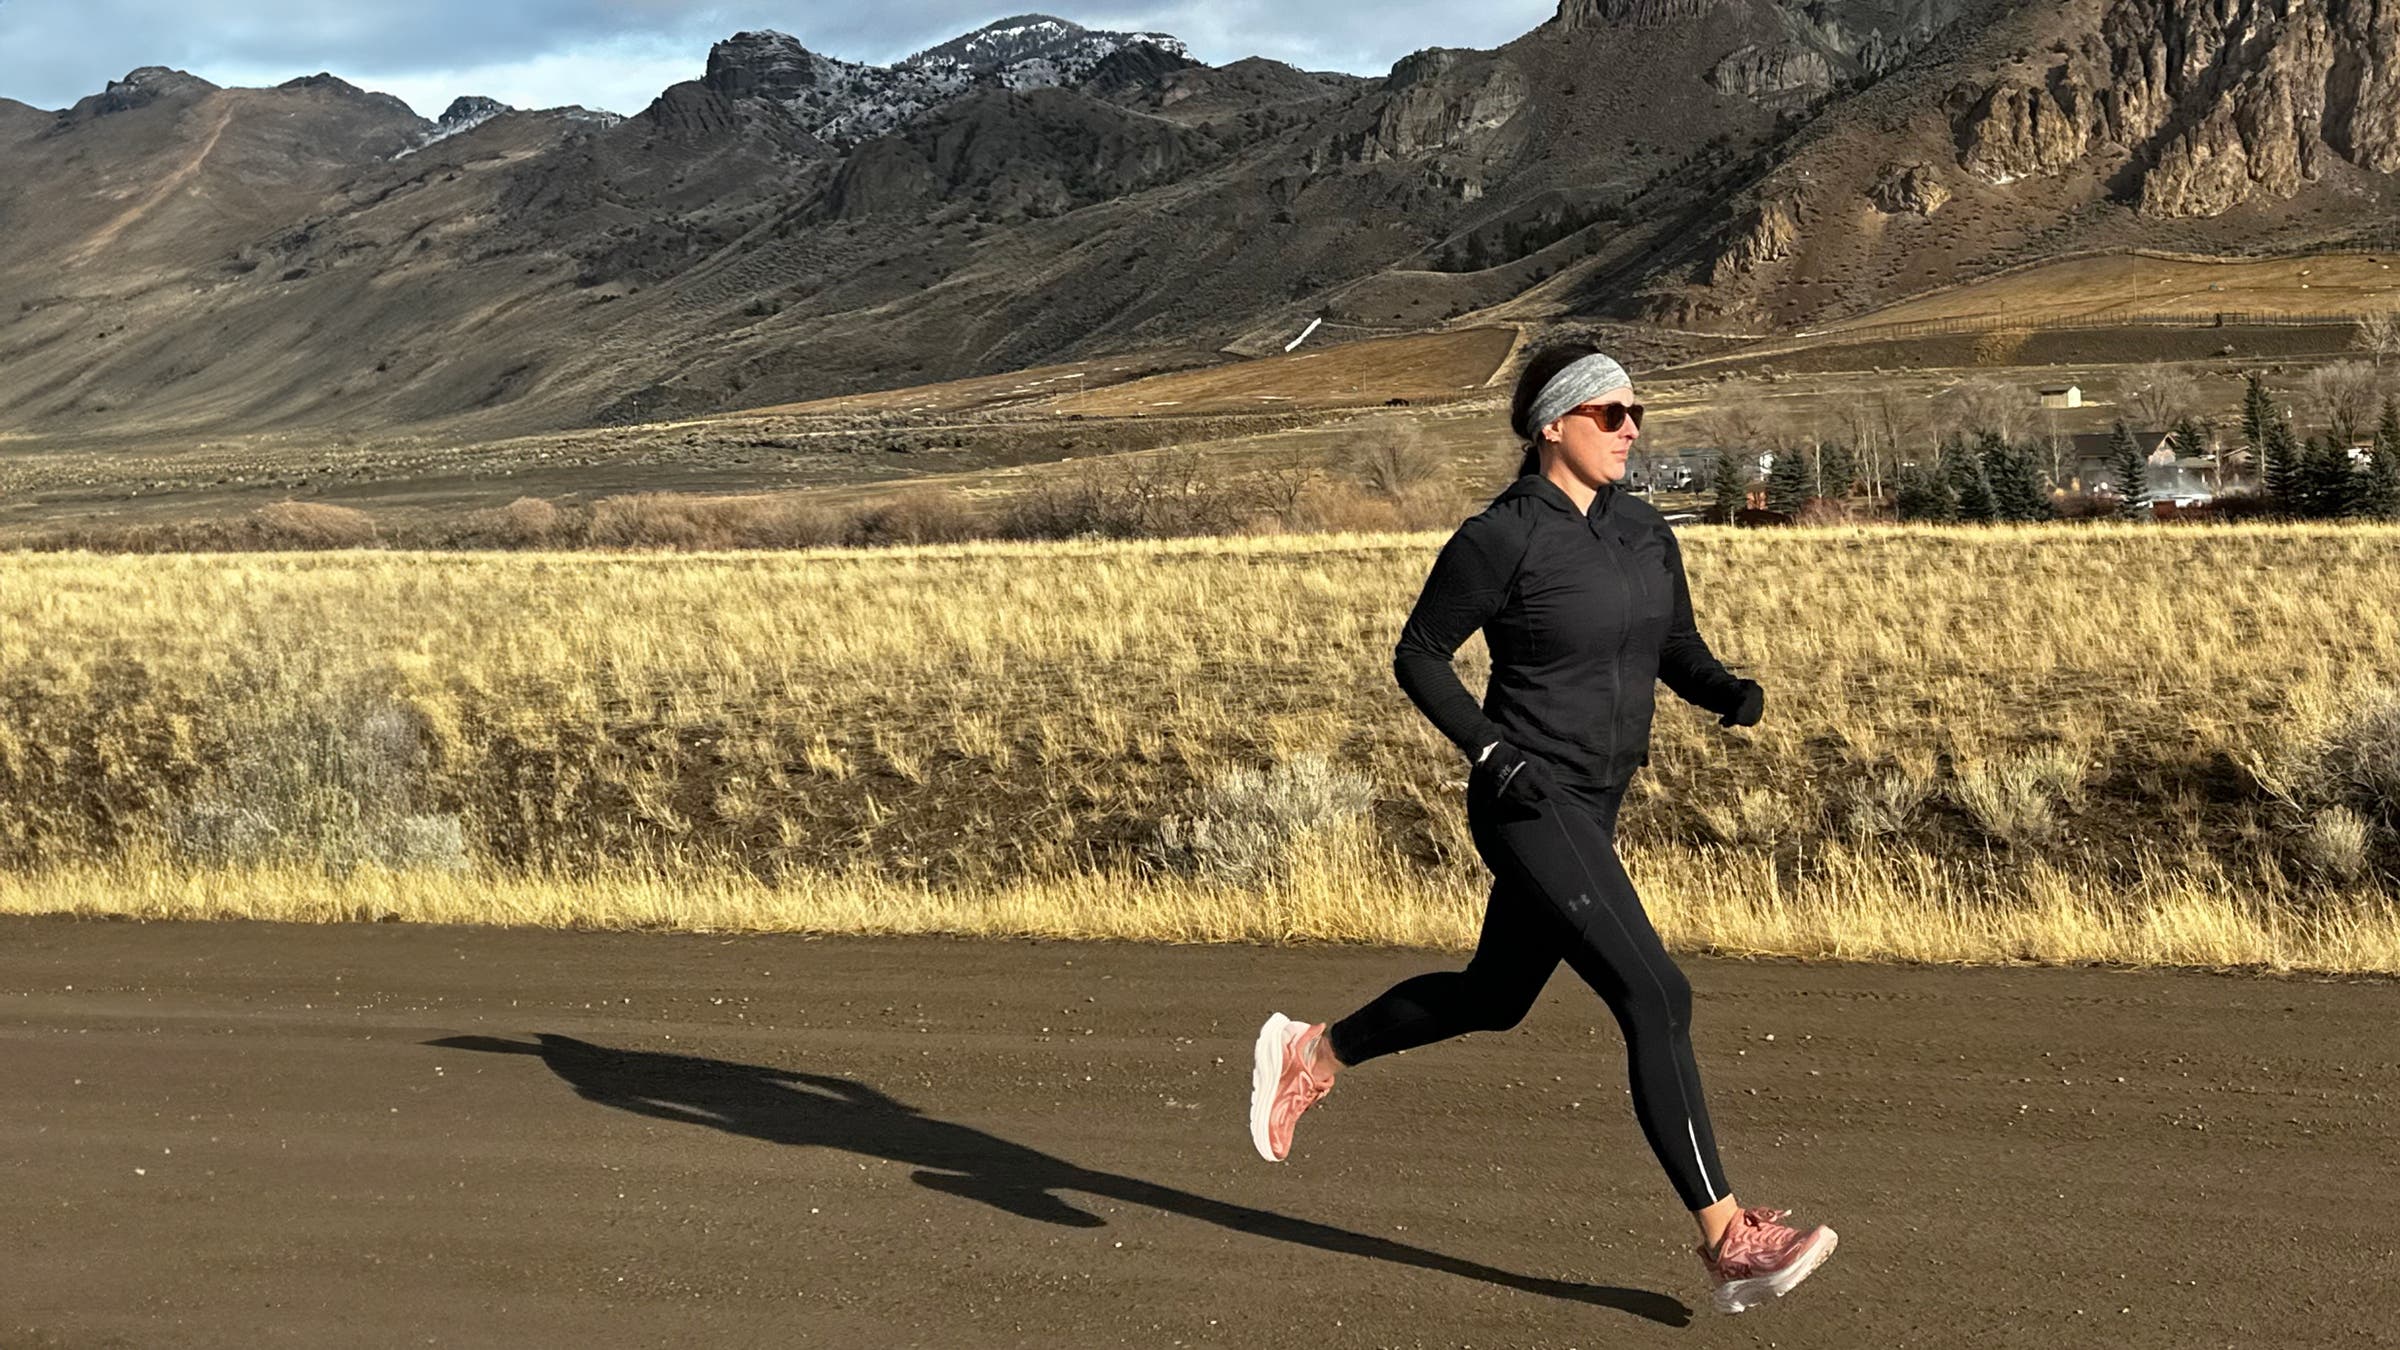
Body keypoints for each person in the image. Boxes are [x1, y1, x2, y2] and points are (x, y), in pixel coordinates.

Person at [1245, 344, 1836, 1315]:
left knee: (1495, 995)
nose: (1631, 427)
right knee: (1656, 993)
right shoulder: (1501, 538)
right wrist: (1487, 749)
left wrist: (1724, 690)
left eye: (1635, 412)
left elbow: (1672, 647)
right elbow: (1421, 654)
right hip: (1525, 800)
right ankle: (1731, 1237)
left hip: (1596, 800)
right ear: (1553, 425)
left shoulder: (1645, 533)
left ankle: (1315, 1054)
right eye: (1610, 413)